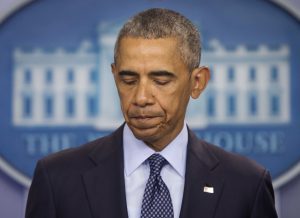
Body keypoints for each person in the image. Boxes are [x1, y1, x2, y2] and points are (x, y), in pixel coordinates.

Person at [25, 8, 278, 218]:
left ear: (197, 82)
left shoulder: (246, 184)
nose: (141, 98)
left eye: (160, 80)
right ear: (114, 77)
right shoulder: (56, 178)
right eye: (128, 79)